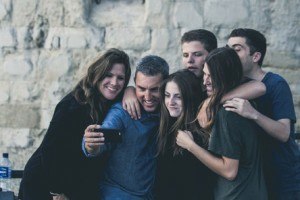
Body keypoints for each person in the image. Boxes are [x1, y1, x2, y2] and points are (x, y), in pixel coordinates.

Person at [18, 48, 131, 200]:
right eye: (108, 75)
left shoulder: (110, 104)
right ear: (97, 74)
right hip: (46, 185)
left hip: (75, 185)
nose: (114, 82)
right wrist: (56, 191)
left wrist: (130, 91)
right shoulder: (74, 105)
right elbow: (51, 150)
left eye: (120, 78)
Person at [176, 47, 268, 200]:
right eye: (205, 74)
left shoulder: (228, 114)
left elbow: (229, 171)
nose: (205, 81)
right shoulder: (243, 101)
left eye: (211, 76)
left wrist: (190, 145)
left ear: (225, 76)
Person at [224, 28, 300, 200]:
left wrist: (253, 114)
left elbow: (284, 133)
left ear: (256, 56)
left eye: (236, 49)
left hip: (283, 177)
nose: (230, 54)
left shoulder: (276, 84)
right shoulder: (233, 85)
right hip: (254, 181)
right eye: (228, 49)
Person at [122, 29, 265, 119]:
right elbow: (154, 86)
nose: (190, 60)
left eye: (197, 54)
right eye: (185, 55)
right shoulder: (180, 81)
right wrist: (129, 90)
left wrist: (213, 100)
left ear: (211, 55)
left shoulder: (218, 84)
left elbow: (259, 87)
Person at [82, 55, 169, 200]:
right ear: (135, 82)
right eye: (141, 88)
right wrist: (91, 145)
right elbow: (102, 138)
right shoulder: (122, 111)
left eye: (154, 89)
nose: (147, 96)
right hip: (119, 195)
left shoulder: (169, 108)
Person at [155, 70, 214, 200]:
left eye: (178, 96)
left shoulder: (197, 135)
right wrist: (129, 91)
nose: (171, 102)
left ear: (190, 97)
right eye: (167, 95)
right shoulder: (164, 125)